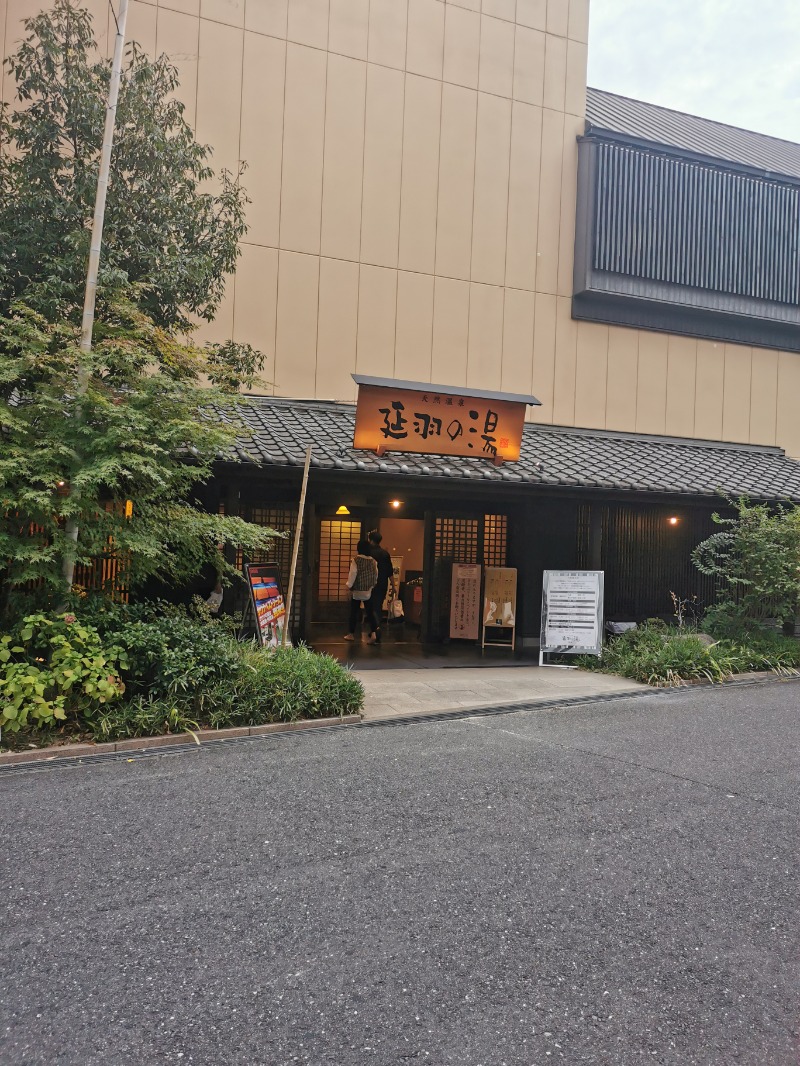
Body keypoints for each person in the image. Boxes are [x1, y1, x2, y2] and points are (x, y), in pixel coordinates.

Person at [344, 538, 379, 643]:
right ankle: (373, 633)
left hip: (357, 590)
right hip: (368, 590)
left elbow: (353, 574)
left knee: (354, 612)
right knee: (370, 611)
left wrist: (349, 586)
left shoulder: (356, 560)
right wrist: (372, 585)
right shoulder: (373, 561)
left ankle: (351, 634)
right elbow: (376, 575)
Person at [368, 529, 396, 644]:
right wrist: (394, 586)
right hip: (382, 583)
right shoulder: (385, 554)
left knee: (370, 607)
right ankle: (376, 628)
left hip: (369, 584)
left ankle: (375, 629)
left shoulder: (368, 553)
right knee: (378, 606)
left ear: (370, 540)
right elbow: (390, 571)